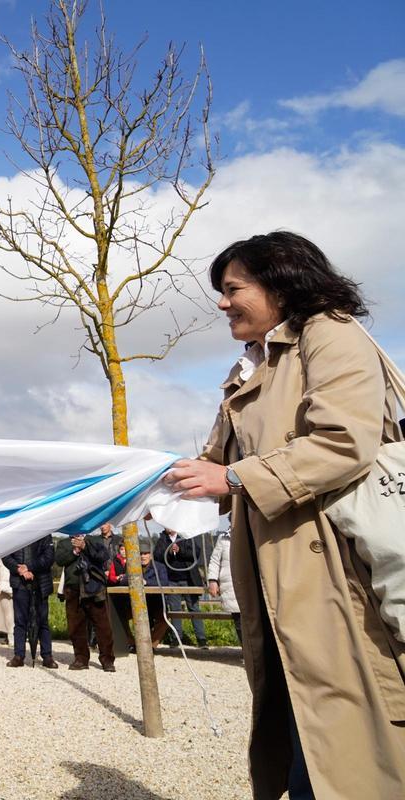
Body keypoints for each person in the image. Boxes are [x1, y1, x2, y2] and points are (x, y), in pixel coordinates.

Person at [164, 231, 405, 799]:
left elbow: (344, 442)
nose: (222, 303)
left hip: (334, 576)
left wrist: (232, 478)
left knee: (348, 741)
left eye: (232, 288)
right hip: (277, 583)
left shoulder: (331, 335)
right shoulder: (249, 367)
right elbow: (218, 463)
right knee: (303, 728)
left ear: (280, 282)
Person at [55, 531, 115, 671]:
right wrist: (75, 551)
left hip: (94, 587)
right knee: (76, 626)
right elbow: (59, 560)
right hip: (73, 588)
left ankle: (107, 660)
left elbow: (103, 556)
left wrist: (84, 546)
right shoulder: (64, 543)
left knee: (103, 625)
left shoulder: (94, 540)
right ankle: (81, 659)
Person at [3, 535, 56, 668]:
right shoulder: (14, 533)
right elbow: (6, 557)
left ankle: (47, 656)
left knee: (43, 621)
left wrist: (28, 567)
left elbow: (48, 558)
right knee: (20, 621)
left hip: (40, 583)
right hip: (19, 583)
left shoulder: (45, 533)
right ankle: (19, 655)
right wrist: (19, 569)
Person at [153, 528, 208, 648]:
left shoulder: (186, 536)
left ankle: (201, 639)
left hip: (189, 579)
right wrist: (169, 552)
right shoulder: (162, 539)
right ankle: (176, 638)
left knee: (194, 608)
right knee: (175, 609)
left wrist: (180, 550)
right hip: (171, 580)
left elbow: (195, 553)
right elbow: (157, 555)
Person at [207, 531, 241, 645]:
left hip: (252, 583)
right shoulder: (223, 538)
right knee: (239, 621)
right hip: (231, 584)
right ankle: (247, 653)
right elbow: (215, 560)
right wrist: (212, 580)